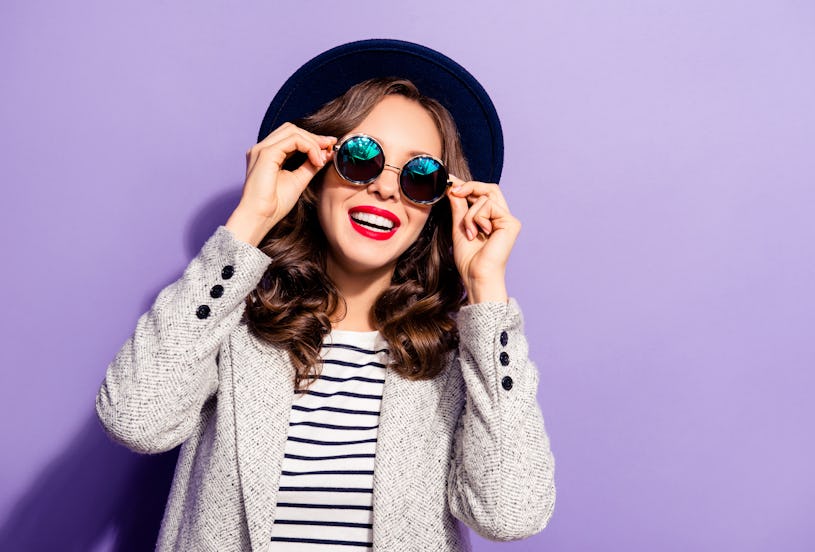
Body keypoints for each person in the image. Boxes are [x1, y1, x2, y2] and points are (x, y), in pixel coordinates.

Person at [95, 39, 556, 551]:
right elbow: (137, 420)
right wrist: (251, 220)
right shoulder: (229, 325)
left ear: (436, 208)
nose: (385, 189)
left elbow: (512, 512)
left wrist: (486, 292)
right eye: (361, 157)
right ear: (314, 170)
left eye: (420, 175)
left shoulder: (454, 360)